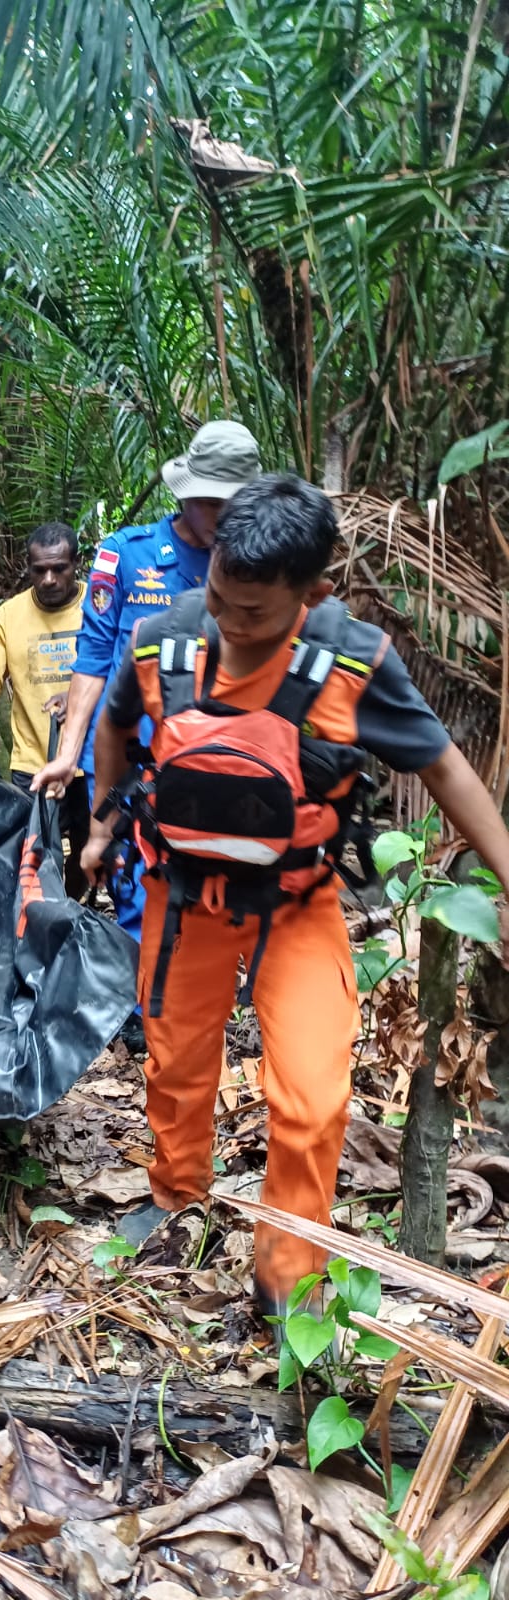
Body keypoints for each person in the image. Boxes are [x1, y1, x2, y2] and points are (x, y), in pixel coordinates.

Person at [81, 473, 509, 1323]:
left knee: (312, 1098)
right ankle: (175, 1196)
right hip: (181, 895)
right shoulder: (163, 643)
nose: (231, 628)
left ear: (313, 593)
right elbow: (115, 726)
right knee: (175, 1063)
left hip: (298, 903)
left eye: (256, 615)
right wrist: (100, 823)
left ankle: (288, 1275)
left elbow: (444, 765)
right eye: (221, 601)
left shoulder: (353, 663)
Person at [33, 421, 262, 1051]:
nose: (218, 514)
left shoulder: (263, 560)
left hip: (230, 762)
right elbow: (94, 658)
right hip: (138, 761)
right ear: (183, 493)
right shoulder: (126, 555)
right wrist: (67, 753)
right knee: (134, 879)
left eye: (232, 501)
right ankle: (146, 1008)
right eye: (208, 499)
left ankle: (223, 992)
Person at [0, 521, 90, 896]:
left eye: (60, 568)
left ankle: (76, 911)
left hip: (90, 764)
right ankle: (47, 929)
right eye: (40, 570)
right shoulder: (8, 617)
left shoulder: (99, 606)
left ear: (78, 563)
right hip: (32, 765)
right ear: (28, 567)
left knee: (89, 855)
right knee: (40, 858)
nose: (50, 579)